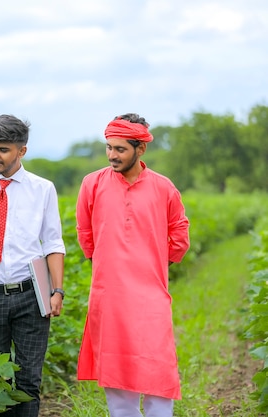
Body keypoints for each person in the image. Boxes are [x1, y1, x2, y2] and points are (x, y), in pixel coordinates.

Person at [75, 113, 191, 417]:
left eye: (120, 149)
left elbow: (180, 234)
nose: (112, 155)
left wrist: (153, 261)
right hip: (108, 294)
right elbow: (85, 234)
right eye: (109, 148)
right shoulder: (92, 184)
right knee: (116, 371)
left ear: (141, 150)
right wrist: (106, 263)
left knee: (158, 367)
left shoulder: (164, 188)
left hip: (151, 292)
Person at [0, 114, 66, 417]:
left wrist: (57, 291)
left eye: (3, 149)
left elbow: (53, 243)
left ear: (22, 151)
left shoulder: (43, 189)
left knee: (29, 378)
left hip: (32, 292)